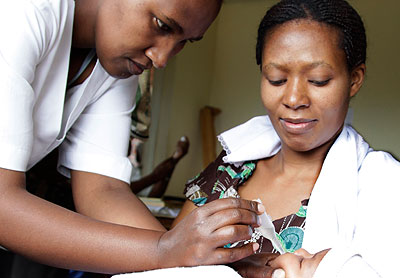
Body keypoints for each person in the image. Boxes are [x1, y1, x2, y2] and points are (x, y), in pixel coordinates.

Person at [0, 0, 265, 275]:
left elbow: (103, 190)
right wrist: (164, 251)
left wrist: (208, 264)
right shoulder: (22, 12)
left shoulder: (113, 59)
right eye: (162, 25)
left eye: (185, 41)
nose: (161, 58)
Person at [172, 0, 400, 277]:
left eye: (317, 80)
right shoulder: (230, 169)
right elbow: (168, 261)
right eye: (276, 79)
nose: (293, 99)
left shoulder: (381, 187)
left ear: (354, 79)